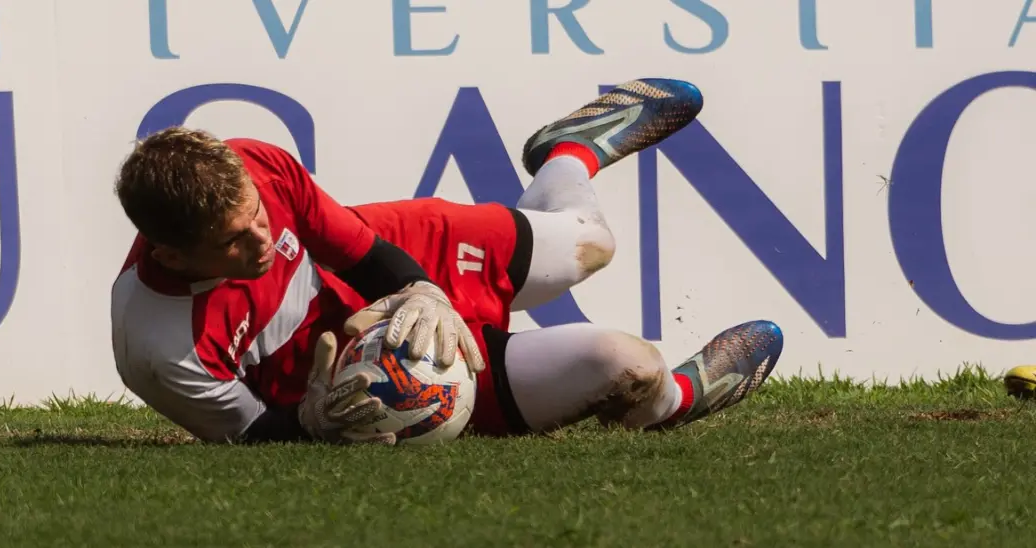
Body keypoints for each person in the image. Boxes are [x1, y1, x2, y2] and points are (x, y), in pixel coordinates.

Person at [110, 78, 785, 445]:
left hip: (373, 273)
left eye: (259, 218)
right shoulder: (157, 346)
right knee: (627, 366)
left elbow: (364, 253)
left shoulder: (259, 165)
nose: (261, 240)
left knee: (590, 245)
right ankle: (675, 402)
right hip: (357, 375)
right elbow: (250, 437)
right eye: (233, 242)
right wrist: (316, 424)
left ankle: (569, 152)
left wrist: (425, 292)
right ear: (169, 252)